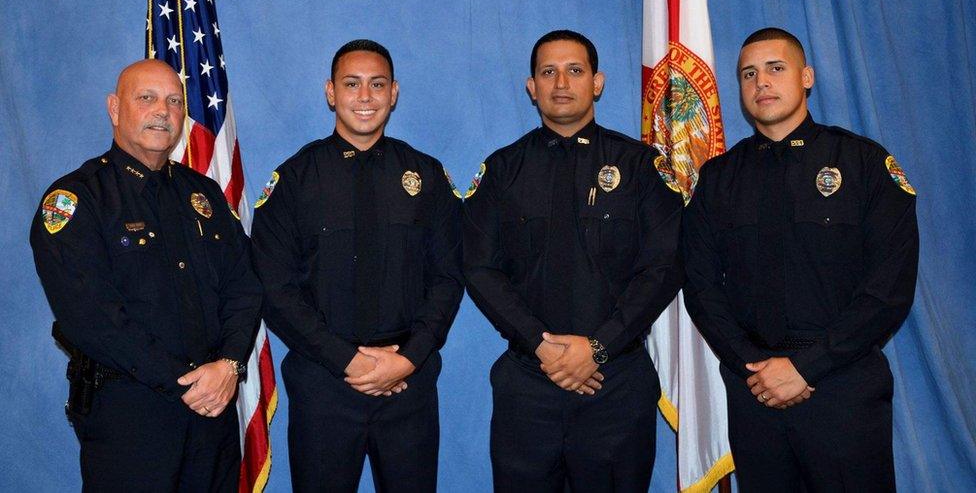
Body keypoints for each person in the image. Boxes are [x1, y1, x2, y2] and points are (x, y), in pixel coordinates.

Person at [682, 27, 919, 491]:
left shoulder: (863, 165)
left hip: (843, 389)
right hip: (755, 393)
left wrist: (807, 367)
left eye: (776, 68)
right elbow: (701, 286)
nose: (761, 83)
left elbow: (888, 289)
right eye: (748, 74)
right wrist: (756, 368)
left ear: (806, 76)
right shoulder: (718, 180)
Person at [462, 29, 683, 492]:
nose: (561, 82)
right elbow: (480, 270)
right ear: (532, 87)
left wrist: (598, 347)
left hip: (616, 385)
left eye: (575, 70)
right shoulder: (503, 170)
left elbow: (663, 268)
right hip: (528, 384)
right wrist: (541, 346)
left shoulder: (641, 167)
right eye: (548, 72)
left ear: (597, 83)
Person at [29, 59, 262, 491]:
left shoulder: (203, 193)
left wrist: (229, 363)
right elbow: (92, 320)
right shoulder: (76, 200)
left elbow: (244, 287)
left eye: (175, 101)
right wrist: (189, 382)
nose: (163, 111)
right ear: (115, 109)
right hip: (130, 418)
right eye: (147, 98)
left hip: (212, 412)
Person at [250, 39, 464, 492]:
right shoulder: (294, 181)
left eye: (377, 85)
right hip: (323, 383)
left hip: (408, 383)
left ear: (394, 93)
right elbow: (275, 288)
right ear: (331, 92)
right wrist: (346, 360)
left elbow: (448, 278)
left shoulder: (425, 176)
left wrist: (407, 359)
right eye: (352, 84)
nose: (364, 97)